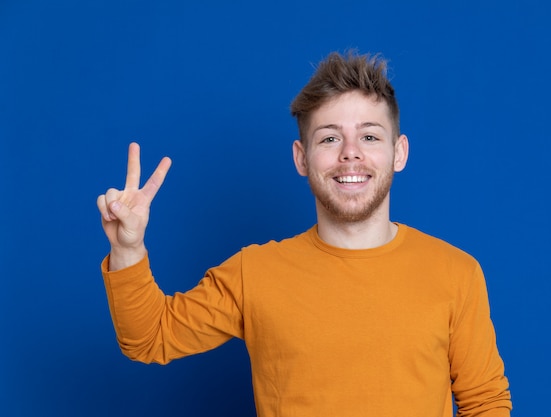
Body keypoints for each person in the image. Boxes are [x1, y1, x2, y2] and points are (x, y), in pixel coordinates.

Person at [97, 51, 512, 417]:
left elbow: (485, 402)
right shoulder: (255, 272)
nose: (351, 152)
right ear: (302, 158)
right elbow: (149, 337)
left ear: (399, 152)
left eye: (369, 136)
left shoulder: (456, 273)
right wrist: (127, 247)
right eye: (330, 138)